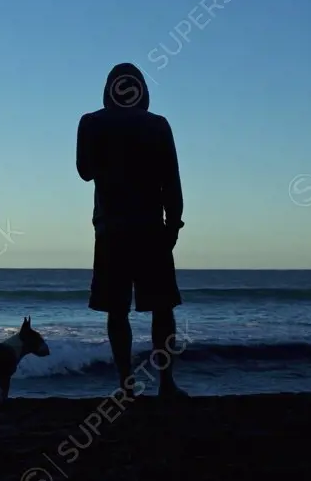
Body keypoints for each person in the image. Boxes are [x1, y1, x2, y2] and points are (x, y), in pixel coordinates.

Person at [76, 62, 188, 399]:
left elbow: (84, 171)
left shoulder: (92, 122)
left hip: (111, 229)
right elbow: (172, 180)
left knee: (116, 309)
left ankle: (125, 384)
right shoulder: (158, 126)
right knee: (162, 308)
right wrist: (175, 224)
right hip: (151, 227)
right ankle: (166, 383)